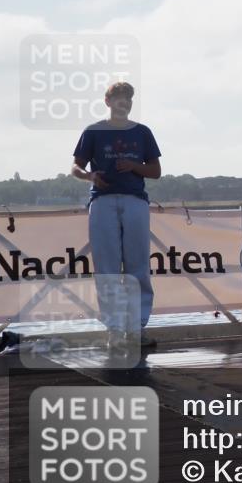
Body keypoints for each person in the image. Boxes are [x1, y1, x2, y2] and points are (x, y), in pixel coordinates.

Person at [71, 82, 161, 350]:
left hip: (135, 201)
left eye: (129, 99)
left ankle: (137, 329)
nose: (125, 103)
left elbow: (155, 170)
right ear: (108, 101)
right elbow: (75, 165)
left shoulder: (142, 132)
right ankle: (114, 330)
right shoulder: (93, 131)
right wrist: (89, 176)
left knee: (138, 267)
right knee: (107, 267)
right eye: (120, 98)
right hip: (102, 201)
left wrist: (134, 166)